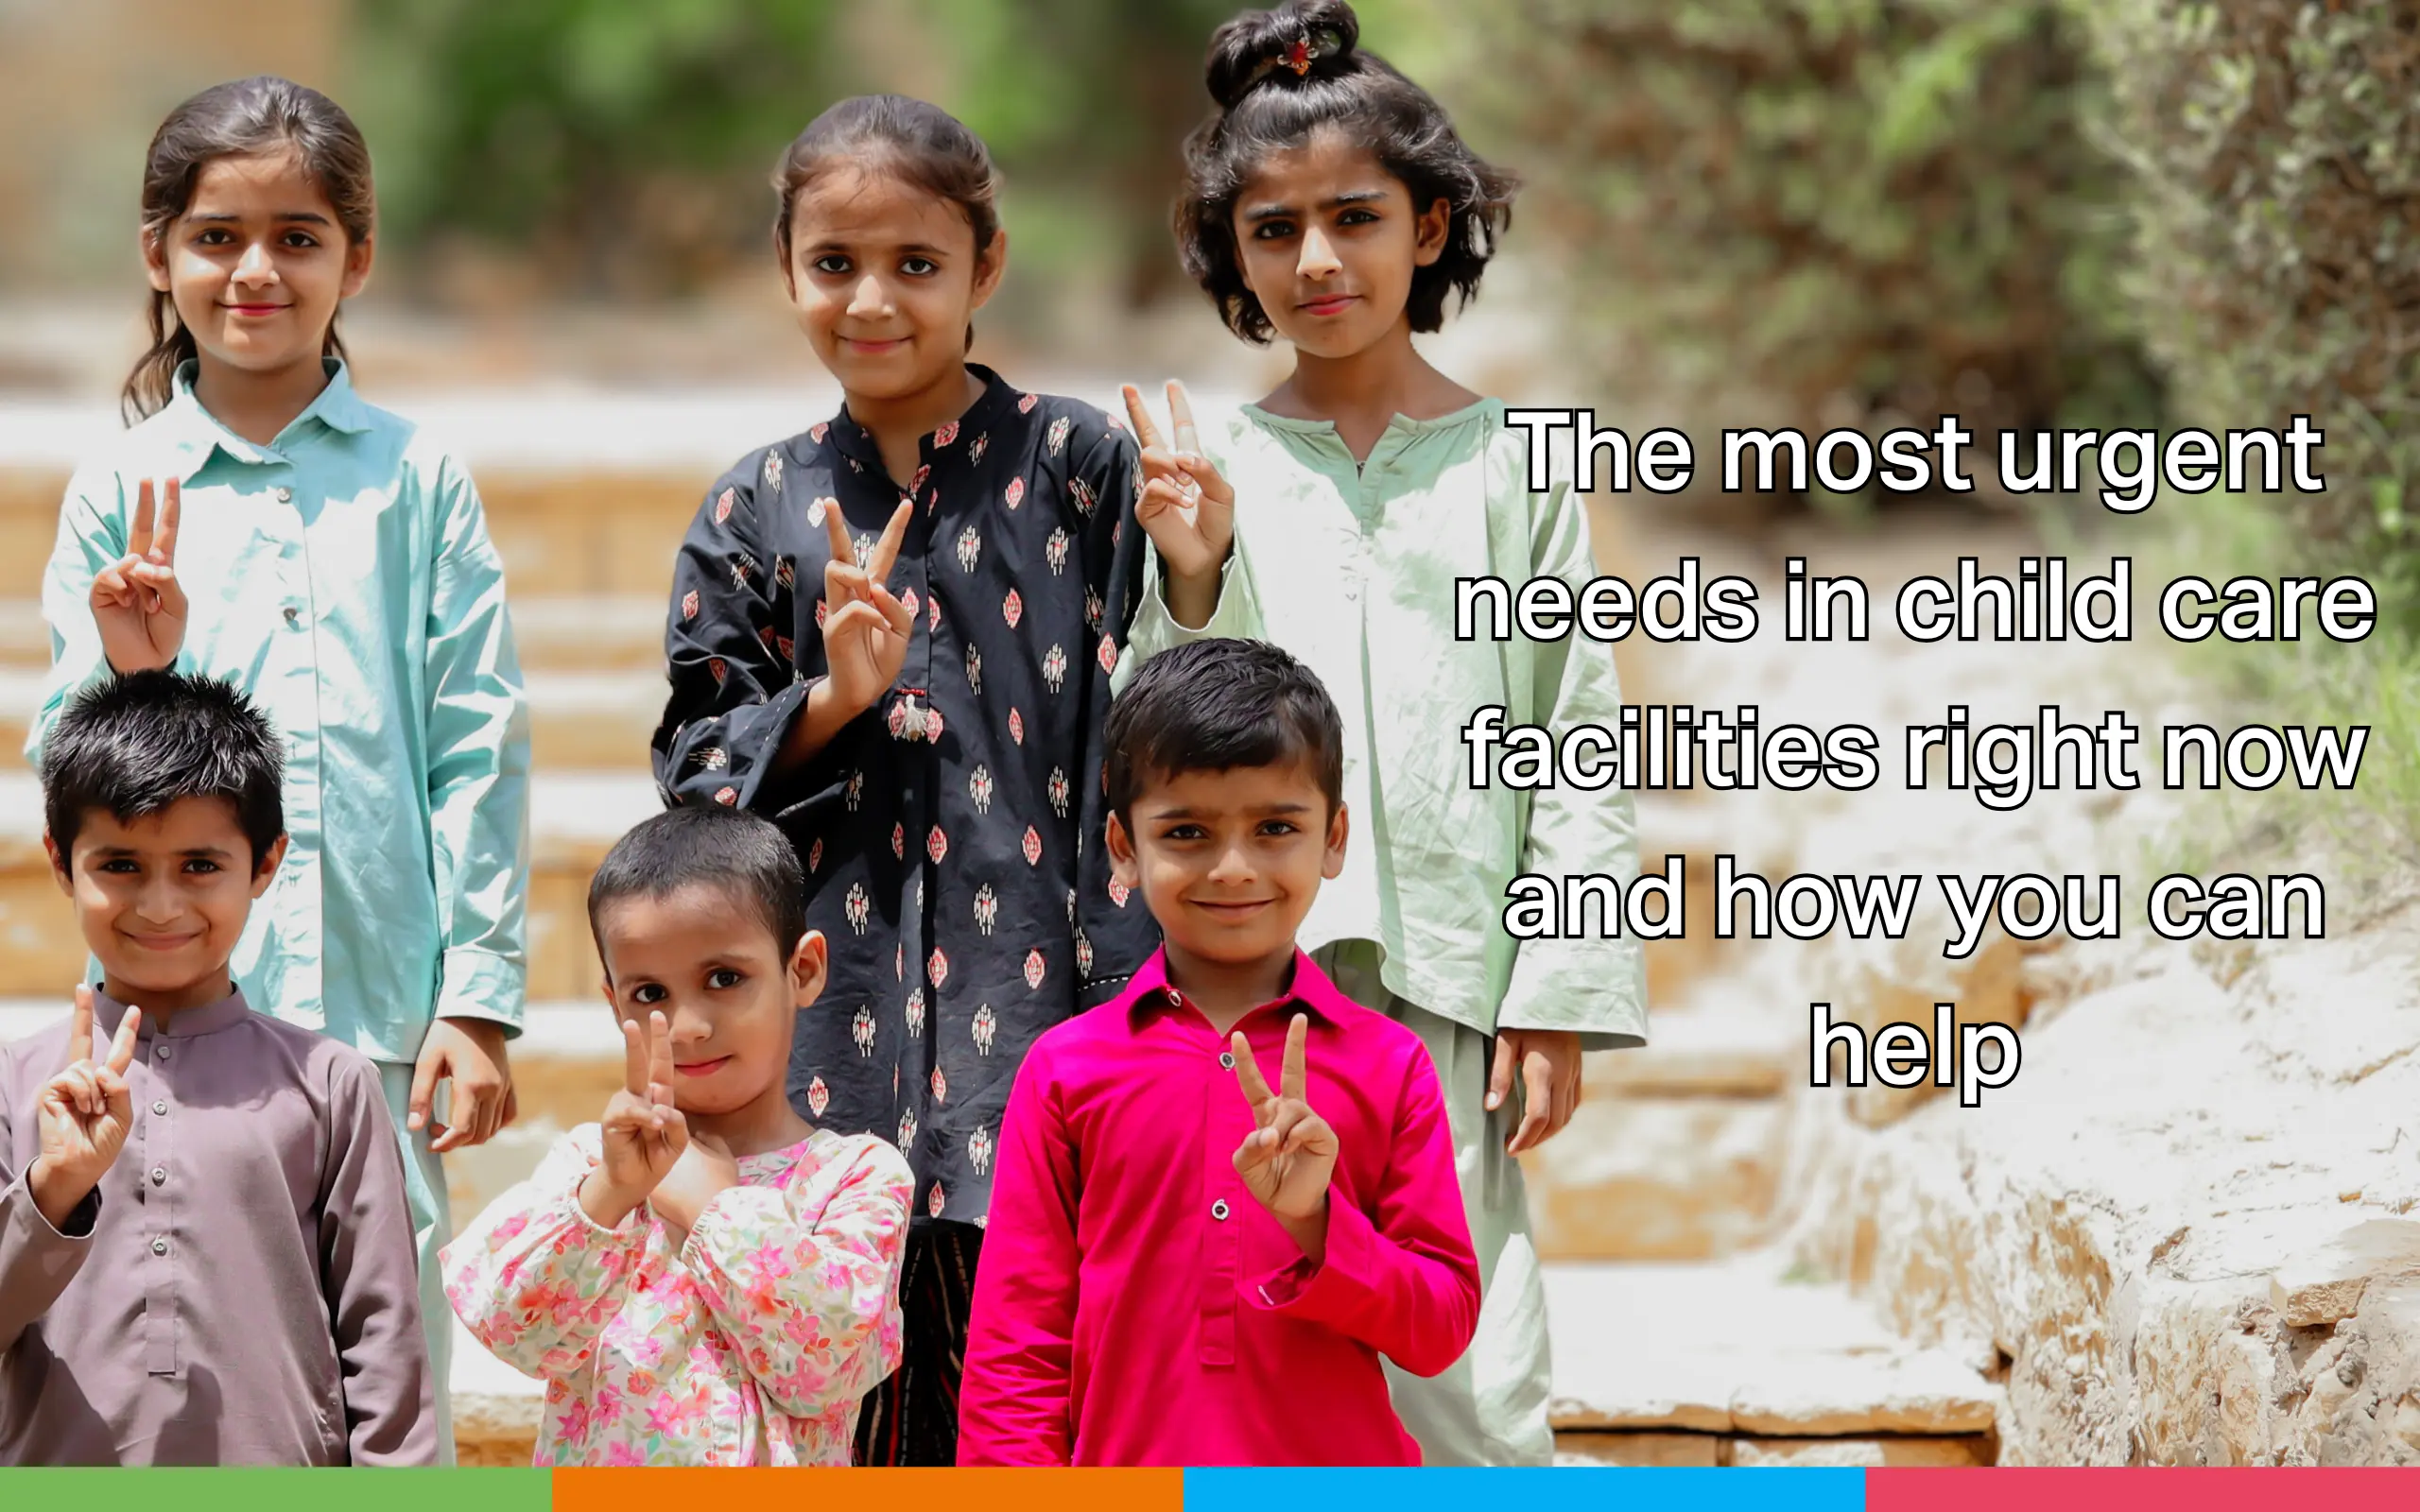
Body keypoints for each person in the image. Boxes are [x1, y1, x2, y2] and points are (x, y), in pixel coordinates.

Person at [1112, 0, 1651, 1466]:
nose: (1318, 261)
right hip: (1252, 989)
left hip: (1456, 992)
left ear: (1433, 225)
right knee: (1250, 1348)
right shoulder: (1204, 465)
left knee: (1463, 1364)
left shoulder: (1520, 465)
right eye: (1274, 229)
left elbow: (1575, 737)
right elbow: (1165, 732)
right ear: (1234, 254)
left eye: (1356, 217)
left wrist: (1559, 985)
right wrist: (1196, 571)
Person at [649, 94, 1168, 1466]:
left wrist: (1135, 1018)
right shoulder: (753, 506)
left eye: (916, 265)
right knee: (834, 1404)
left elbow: (1155, 723)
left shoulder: (1078, 470)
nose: (872, 299)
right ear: (786, 269)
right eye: (834, 264)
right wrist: (833, 704)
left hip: (1041, 1020)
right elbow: (697, 774)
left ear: (986, 268)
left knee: (1026, 1401)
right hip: (826, 1053)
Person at [23, 76, 531, 1462]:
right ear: (158, 255)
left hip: (379, 1010)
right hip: (165, 1018)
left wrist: (476, 998)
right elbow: (69, 773)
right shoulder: (116, 487)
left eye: (299, 237)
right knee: (167, 1338)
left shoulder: (417, 479)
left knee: (387, 1345)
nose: (256, 270)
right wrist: (135, 666)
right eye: (217, 237)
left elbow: (478, 740)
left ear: (356, 259)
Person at [957, 637, 1478, 1466]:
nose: (1234, 868)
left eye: (1277, 827)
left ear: (1334, 838)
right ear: (1125, 849)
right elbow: (1017, 1357)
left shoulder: (1390, 1064)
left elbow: (1441, 1328)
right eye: (1188, 831)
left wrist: (1316, 1222)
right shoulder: (1066, 1070)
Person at [0, 671, 435, 1465]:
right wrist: (53, 1190)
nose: (161, 905)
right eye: (121, 865)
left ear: (265, 864)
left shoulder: (331, 1082)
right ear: (62, 864)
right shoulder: (12, 1083)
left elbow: (386, 1344)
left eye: (200, 865)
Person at [442, 807, 912, 1466]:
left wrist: (713, 1209)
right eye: (650, 992)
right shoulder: (589, 1166)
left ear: (802, 971)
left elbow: (826, 1367)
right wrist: (608, 1195)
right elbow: (512, 1327)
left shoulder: (856, 1177)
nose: (686, 1024)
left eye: (724, 979)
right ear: (613, 1005)